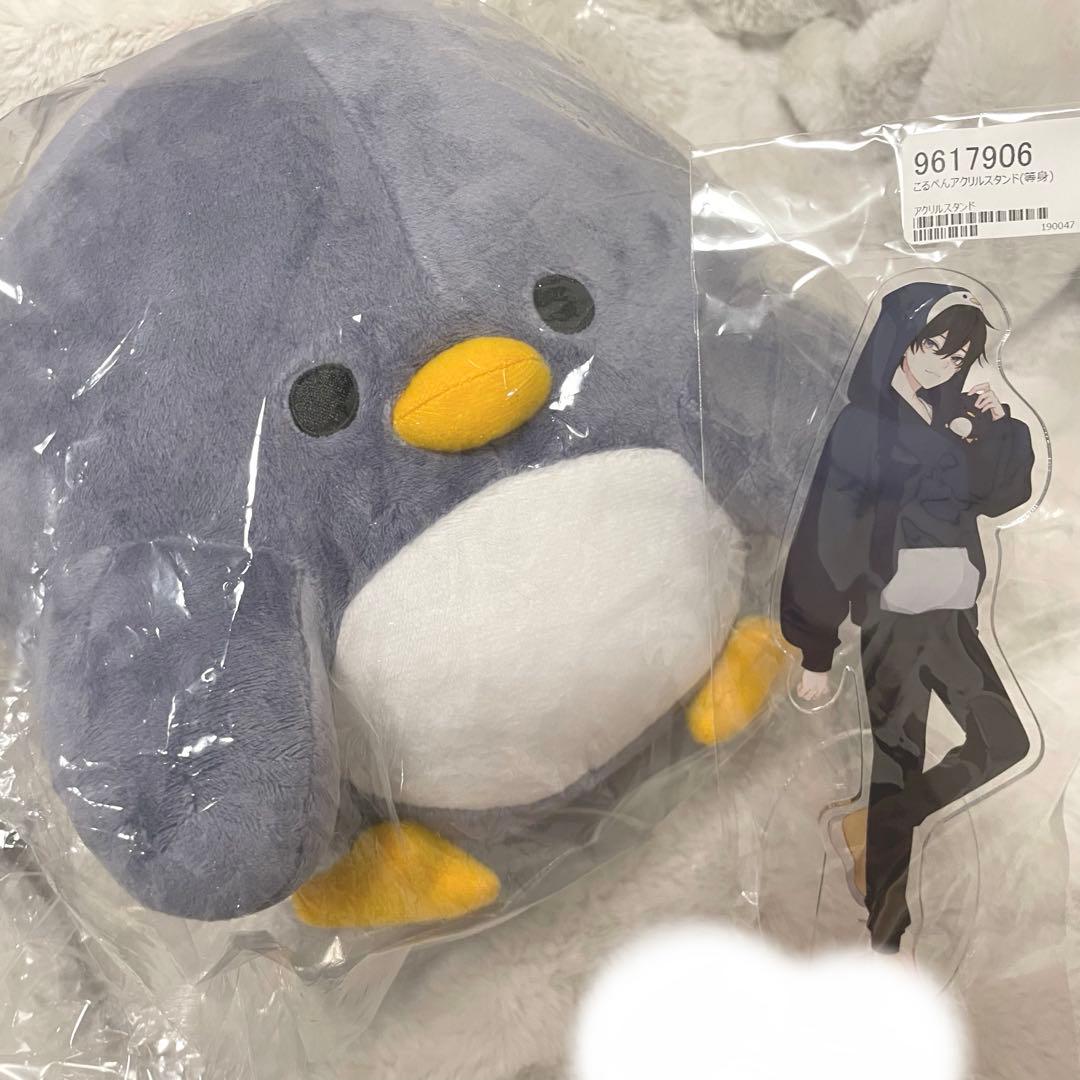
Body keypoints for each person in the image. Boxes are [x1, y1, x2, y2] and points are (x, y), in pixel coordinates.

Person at [780, 281, 1034, 953]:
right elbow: (828, 534)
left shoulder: (954, 418)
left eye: (958, 356)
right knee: (899, 761)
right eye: (934, 347)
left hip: (950, 616)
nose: (944, 364)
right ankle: (886, 937)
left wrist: (999, 424)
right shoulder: (863, 427)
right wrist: (814, 648)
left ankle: (880, 824)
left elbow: (1002, 494)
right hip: (891, 624)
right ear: (901, 341)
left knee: (1004, 742)